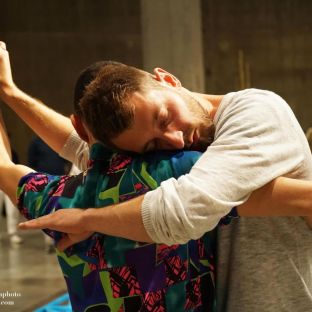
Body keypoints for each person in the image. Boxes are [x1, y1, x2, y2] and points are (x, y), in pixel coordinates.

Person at [1, 41, 312, 311]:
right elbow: (82, 149)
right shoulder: (179, 164)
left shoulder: (255, 113)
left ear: (167, 80)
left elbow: (184, 208)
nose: (175, 139)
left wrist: (87, 218)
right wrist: (9, 91)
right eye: (152, 144)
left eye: (164, 117)